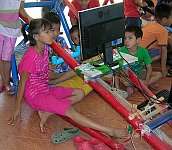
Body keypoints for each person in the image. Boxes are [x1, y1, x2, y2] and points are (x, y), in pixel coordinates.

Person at [8, 18, 128, 139]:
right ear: (36, 37)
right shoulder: (30, 57)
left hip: (45, 89)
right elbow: (22, 84)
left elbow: (42, 72)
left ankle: (47, 112)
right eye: (47, 32)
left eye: (51, 31)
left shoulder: (44, 49)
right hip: (35, 96)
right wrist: (17, 109)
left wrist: (50, 68)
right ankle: (110, 131)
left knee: (79, 93)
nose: (52, 34)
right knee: (70, 111)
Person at [115, 26, 162, 96]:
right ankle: (145, 85)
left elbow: (149, 68)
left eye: (130, 38)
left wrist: (147, 80)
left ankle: (138, 87)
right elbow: (117, 70)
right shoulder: (121, 51)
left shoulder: (143, 51)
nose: (126, 41)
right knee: (125, 82)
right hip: (129, 76)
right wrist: (117, 88)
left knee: (159, 75)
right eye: (125, 38)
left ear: (138, 40)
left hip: (140, 73)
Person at [0, 0, 32, 94]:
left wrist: (28, 17)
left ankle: (6, 82)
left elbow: (20, 8)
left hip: (11, 30)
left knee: (6, 58)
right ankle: (4, 80)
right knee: (1, 57)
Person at [139, 3, 172, 78]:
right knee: (162, 52)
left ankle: (143, 64)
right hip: (140, 54)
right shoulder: (162, 30)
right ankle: (143, 63)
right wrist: (163, 70)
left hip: (135, 51)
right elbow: (164, 52)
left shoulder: (152, 24)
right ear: (164, 20)